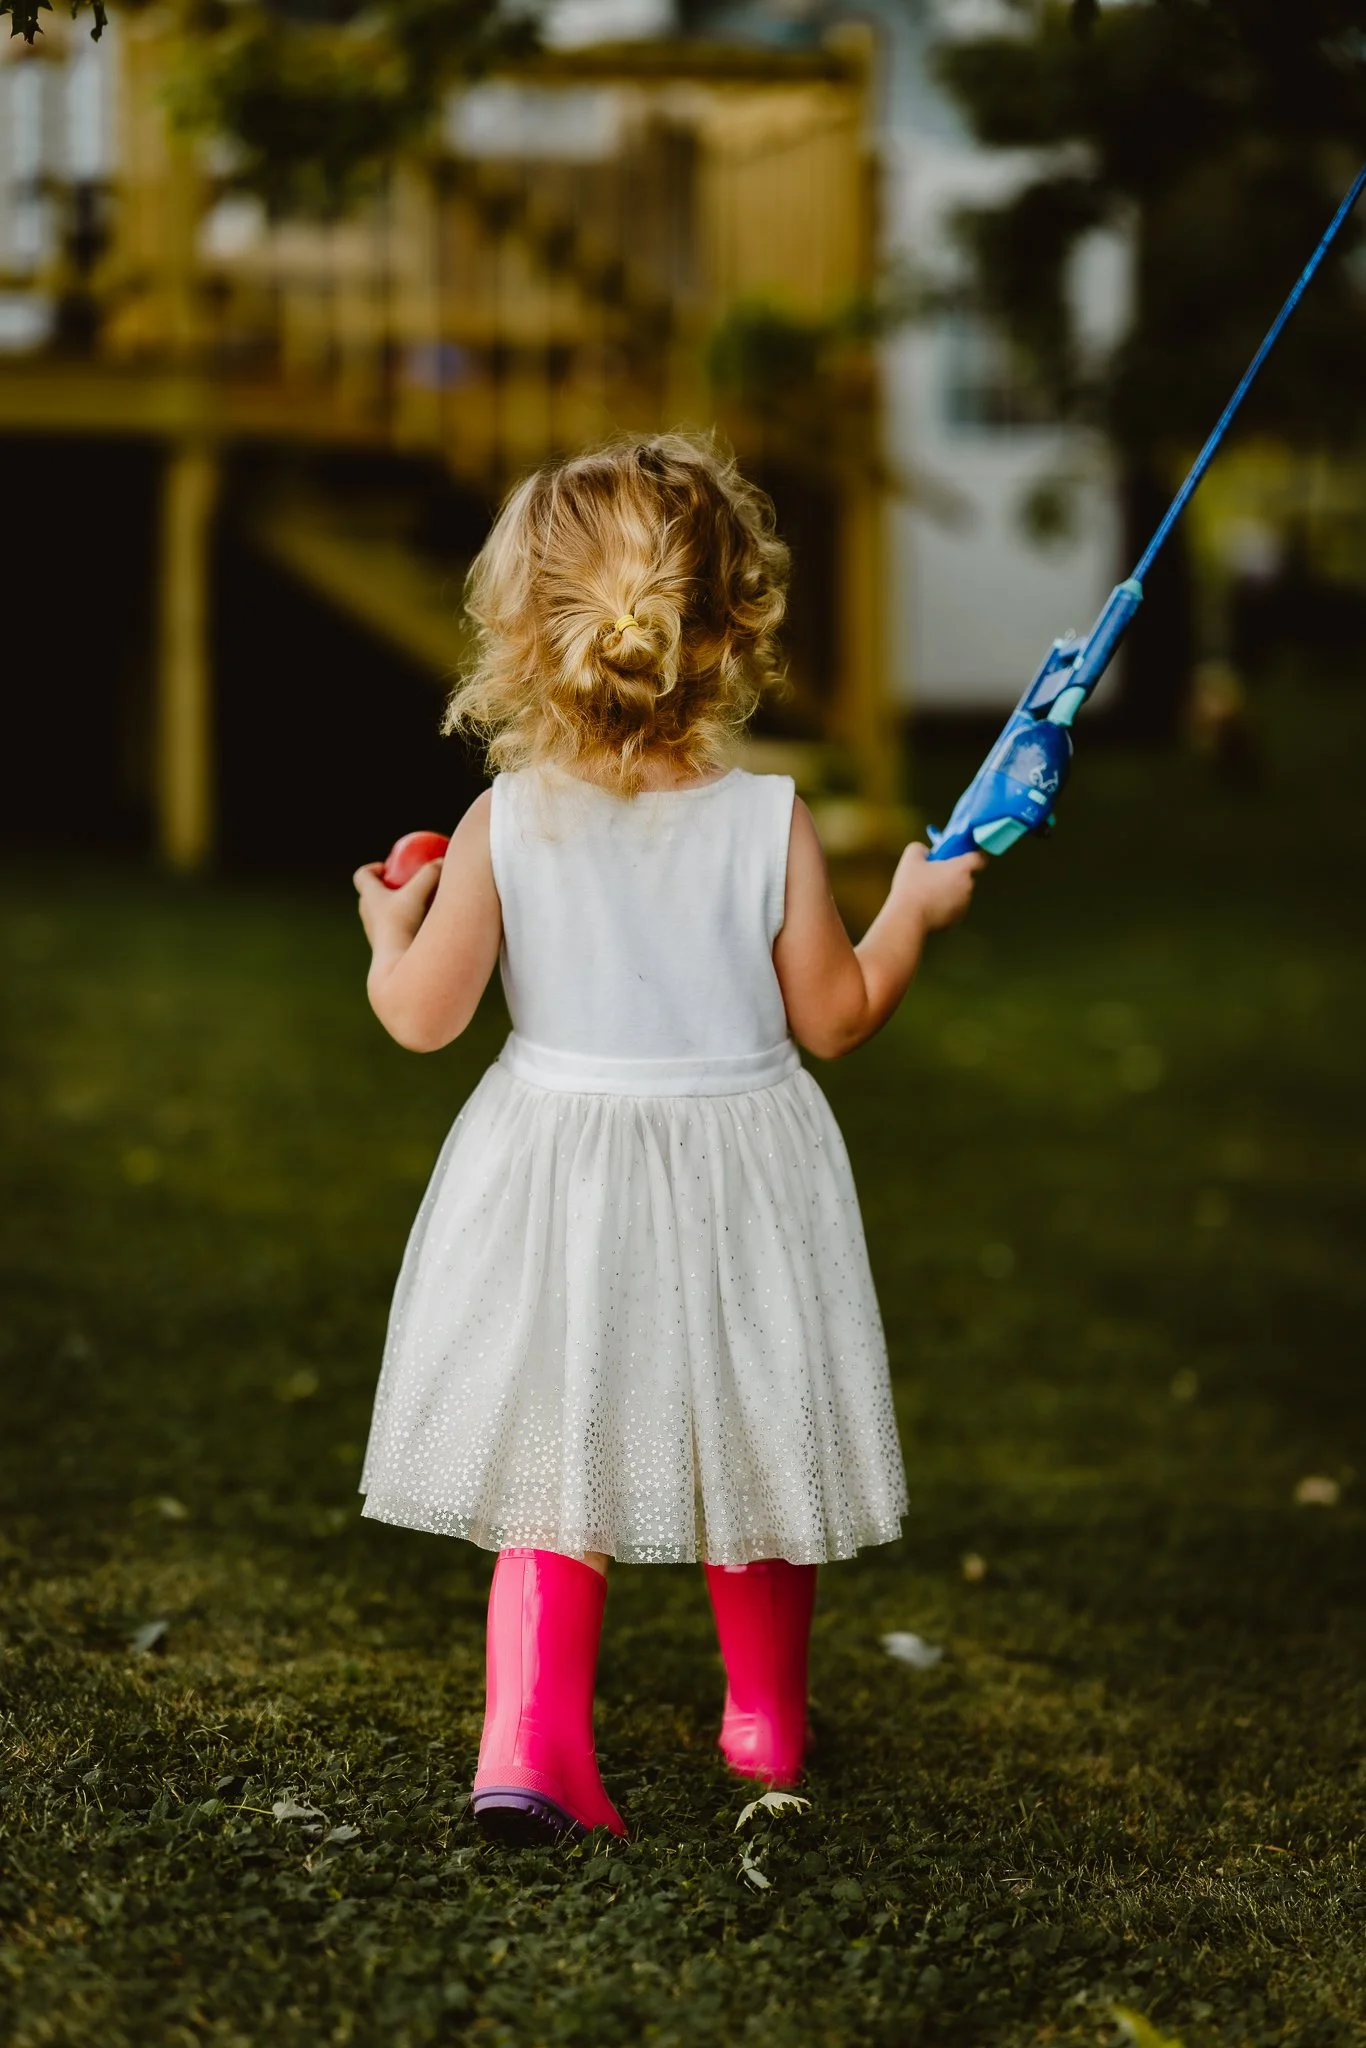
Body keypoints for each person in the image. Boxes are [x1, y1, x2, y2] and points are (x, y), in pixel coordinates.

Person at [353, 435, 983, 1846]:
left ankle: (526, 1744)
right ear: (730, 622)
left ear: (524, 626)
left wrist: (389, 924)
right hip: (737, 1168)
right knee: (756, 1425)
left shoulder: (505, 821)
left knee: (552, 1450)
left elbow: (420, 1018)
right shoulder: (770, 820)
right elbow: (835, 1017)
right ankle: (760, 1718)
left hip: (555, 1169)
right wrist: (913, 915)